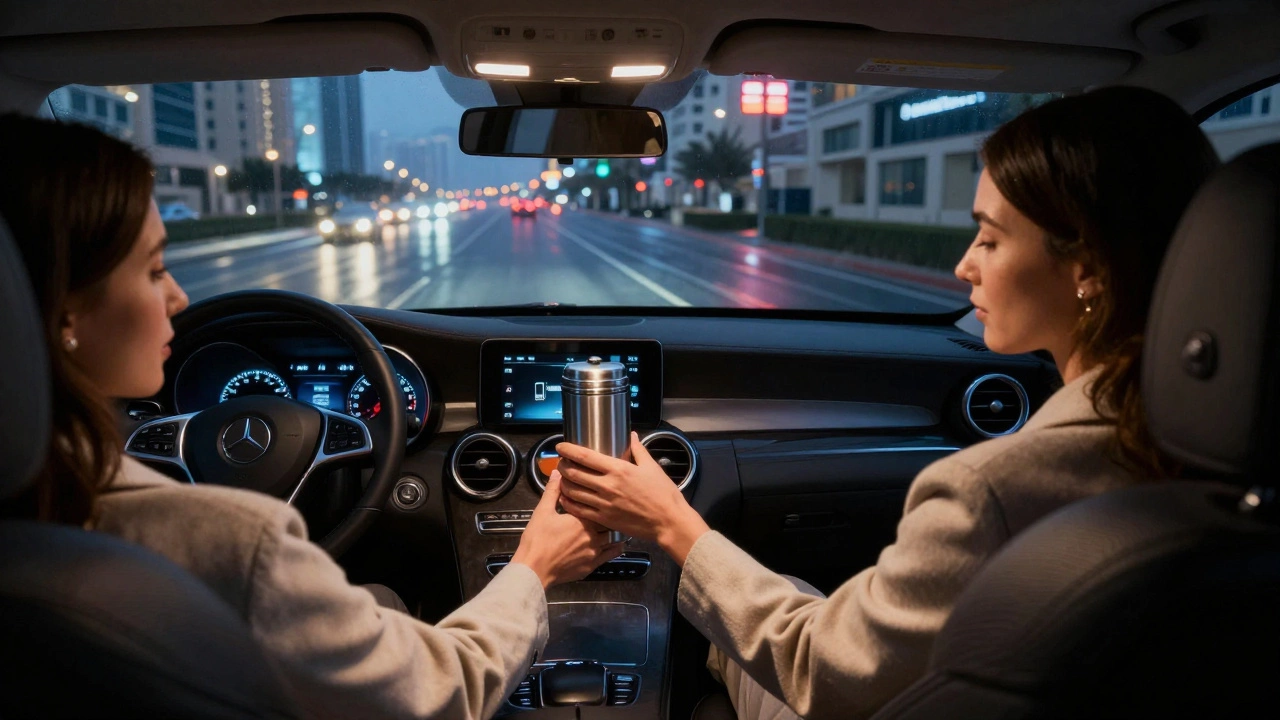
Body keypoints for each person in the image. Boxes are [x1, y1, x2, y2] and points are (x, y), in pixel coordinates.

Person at [554, 86, 1221, 720]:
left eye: (989, 238)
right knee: (794, 592)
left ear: (1088, 271)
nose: (964, 266)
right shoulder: (1208, 448)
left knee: (734, 642)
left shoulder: (989, 493)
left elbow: (823, 671)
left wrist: (670, 521)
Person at [0, 113, 623, 719]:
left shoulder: (44, 516)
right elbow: (444, 690)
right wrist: (534, 567)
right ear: (60, 313)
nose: (180, 297)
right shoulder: (245, 547)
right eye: (156, 269)